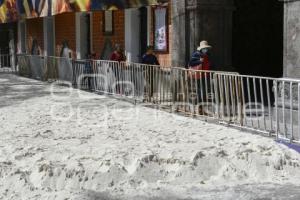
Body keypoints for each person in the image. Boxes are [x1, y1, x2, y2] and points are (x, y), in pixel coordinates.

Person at [188, 40, 213, 112]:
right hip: (199, 76)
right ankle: (198, 107)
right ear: (201, 48)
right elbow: (191, 63)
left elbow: (209, 64)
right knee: (200, 92)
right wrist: (200, 61)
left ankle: (201, 108)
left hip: (206, 75)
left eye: (206, 48)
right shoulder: (197, 54)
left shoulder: (207, 55)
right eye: (205, 48)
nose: (206, 50)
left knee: (204, 92)